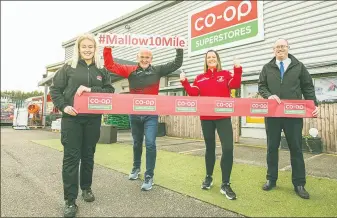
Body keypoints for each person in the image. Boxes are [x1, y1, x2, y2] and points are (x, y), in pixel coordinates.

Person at [50, 33, 115, 217]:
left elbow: (109, 91)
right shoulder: (68, 68)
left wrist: (91, 90)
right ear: (78, 48)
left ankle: (86, 188)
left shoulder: (101, 70)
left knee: (88, 156)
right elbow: (55, 90)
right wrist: (64, 106)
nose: (87, 50)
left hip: (93, 120)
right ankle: (70, 200)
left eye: (90, 47)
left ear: (95, 49)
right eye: (84, 46)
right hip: (72, 120)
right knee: (71, 158)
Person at [103, 45, 183, 191]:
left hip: (151, 115)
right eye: (142, 57)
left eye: (147, 57)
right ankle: (135, 168)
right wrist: (107, 49)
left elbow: (176, 64)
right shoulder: (130, 70)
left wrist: (179, 48)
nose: (145, 59)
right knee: (137, 143)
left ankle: (149, 176)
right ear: (137, 58)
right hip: (134, 114)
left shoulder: (158, 70)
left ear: (151, 59)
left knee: (151, 144)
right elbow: (110, 66)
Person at [258, 38, 319, 199]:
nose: (280, 49)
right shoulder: (267, 68)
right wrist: (269, 95)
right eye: (277, 47)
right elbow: (261, 86)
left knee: (296, 148)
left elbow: (307, 87)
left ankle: (299, 183)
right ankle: (271, 179)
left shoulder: (298, 66)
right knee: (272, 148)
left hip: (293, 115)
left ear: (288, 48)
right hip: (272, 115)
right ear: (273, 50)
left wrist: (313, 105)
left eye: (283, 46)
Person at [179, 50, 242, 200]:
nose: (211, 59)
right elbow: (194, 93)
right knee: (210, 148)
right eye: (209, 57)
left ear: (218, 59)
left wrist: (237, 69)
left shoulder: (225, 74)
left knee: (228, 148)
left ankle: (225, 184)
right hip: (206, 118)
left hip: (223, 117)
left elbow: (235, 84)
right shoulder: (200, 78)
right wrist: (184, 82)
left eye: (214, 57)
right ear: (206, 61)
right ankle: (209, 177)